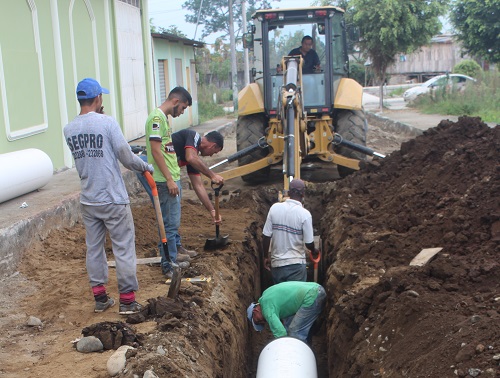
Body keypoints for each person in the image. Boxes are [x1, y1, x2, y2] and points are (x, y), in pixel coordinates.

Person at [63, 77, 153, 315]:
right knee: (123, 247)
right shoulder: (107, 123)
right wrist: (144, 166)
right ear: (98, 98)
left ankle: (100, 298)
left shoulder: (69, 129)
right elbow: (125, 156)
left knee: (94, 247)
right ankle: (127, 301)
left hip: (89, 199)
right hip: (112, 198)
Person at [144, 87, 224, 278]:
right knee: (169, 224)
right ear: (175, 101)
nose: (182, 112)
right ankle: (168, 264)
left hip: (169, 179)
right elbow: (156, 151)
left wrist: (212, 210)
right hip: (165, 181)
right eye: (183, 107)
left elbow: (197, 185)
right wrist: (211, 175)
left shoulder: (163, 120)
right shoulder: (187, 134)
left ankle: (175, 252)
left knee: (172, 221)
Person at [262, 178, 319, 284]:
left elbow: (266, 235)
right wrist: (314, 250)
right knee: (297, 297)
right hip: (296, 265)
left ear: (288, 192)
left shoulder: (274, 208)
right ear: (303, 194)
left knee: (281, 297)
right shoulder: (305, 214)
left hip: (277, 265)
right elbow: (309, 243)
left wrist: (265, 256)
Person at [247, 281, 326, 344]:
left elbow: (281, 333)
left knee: (295, 333)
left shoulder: (267, 309)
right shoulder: (266, 295)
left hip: (311, 296)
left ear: (255, 311)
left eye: (258, 321)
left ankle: (298, 360)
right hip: (315, 289)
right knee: (297, 328)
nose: (263, 322)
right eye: (262, 324)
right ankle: (307, 352)